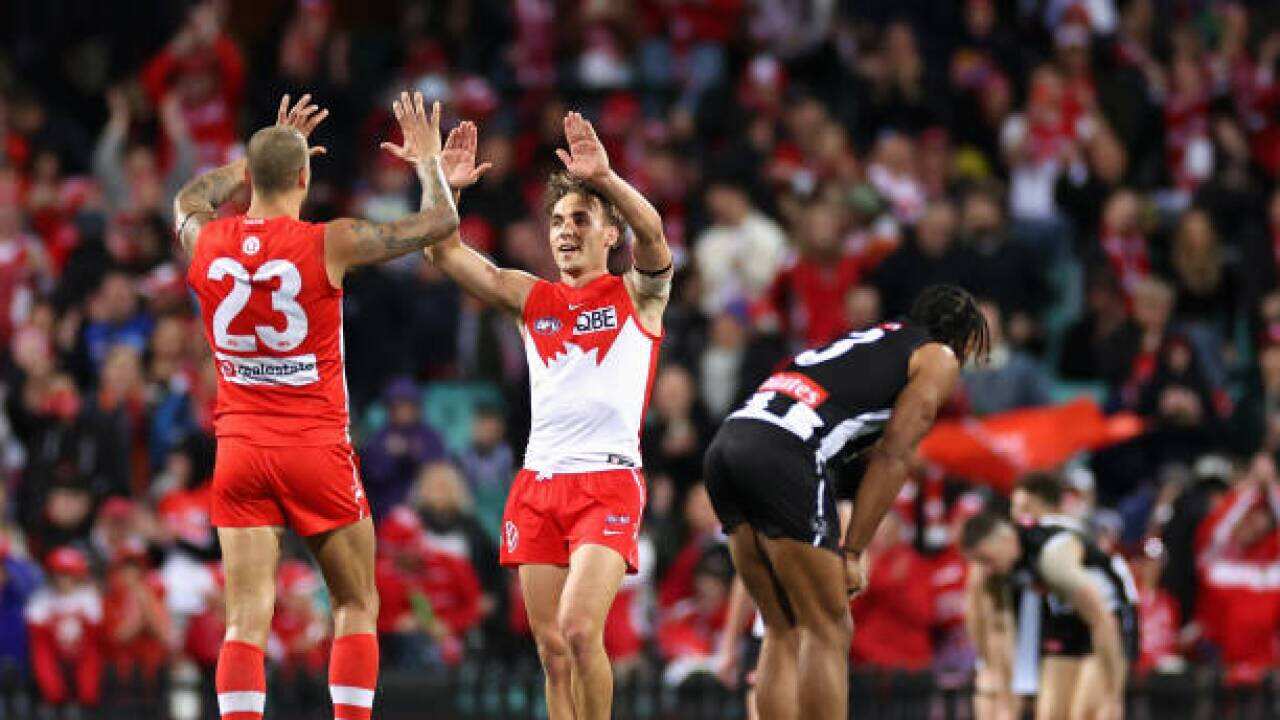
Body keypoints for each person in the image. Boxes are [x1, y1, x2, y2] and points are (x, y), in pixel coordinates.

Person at [173, 90, 459, 720]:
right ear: (304, 177)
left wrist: (251, 163)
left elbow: (186, 199)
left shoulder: (206, 238)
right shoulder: (329, 241)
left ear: (254, 178)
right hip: (313, 446)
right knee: (357, 604)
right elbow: (440, 225)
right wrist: (428, 163)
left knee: (244, 620)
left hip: (240, 450)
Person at [423, 115, 672, 720]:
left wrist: (606, 178)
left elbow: (656, 235)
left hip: (607, 482)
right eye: (558, 220)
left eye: (581, 219)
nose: (565, 231)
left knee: (582, 630)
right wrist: (443, 186)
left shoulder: (637, 293)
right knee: (554, 650)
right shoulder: (529, 296)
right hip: (537, 485)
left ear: (609, 233)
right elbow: (442, 250)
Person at [703, 284, 990, 720]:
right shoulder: (939, 355)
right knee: (829, 627)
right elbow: (895, 455)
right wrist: (853, 550)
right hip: (783, 450)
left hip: (728, 443)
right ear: (966, 340)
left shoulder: (876, 339)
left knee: (782, 627)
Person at [961, 511, 1137, 720]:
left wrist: (1113, 695)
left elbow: (1102, 620)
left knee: (1086, 713)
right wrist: (1001, 686)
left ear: (1005, 539)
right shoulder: (1002, 566)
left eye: (985, 559)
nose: (986, 569)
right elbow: (999, 628)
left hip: (1107, 616)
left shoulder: (1054, 558)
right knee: (1049, 714)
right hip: (1065, 619)